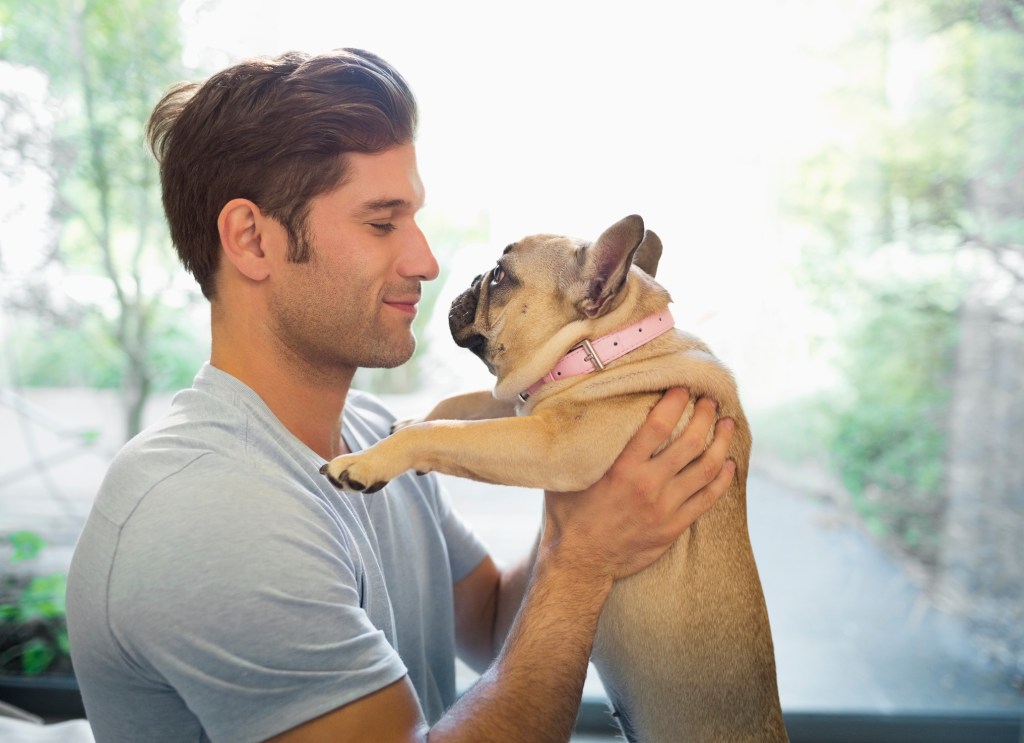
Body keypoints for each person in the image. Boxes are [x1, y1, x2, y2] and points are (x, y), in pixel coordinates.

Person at [66, 48, 736, 742]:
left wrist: (596, 465)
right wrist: (585, 559)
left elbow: (489, 618)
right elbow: (562, 588)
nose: (426, 261)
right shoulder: (207, 511)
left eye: (413, 218)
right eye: (382, 223)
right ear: (250, 240)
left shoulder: (373, 434)